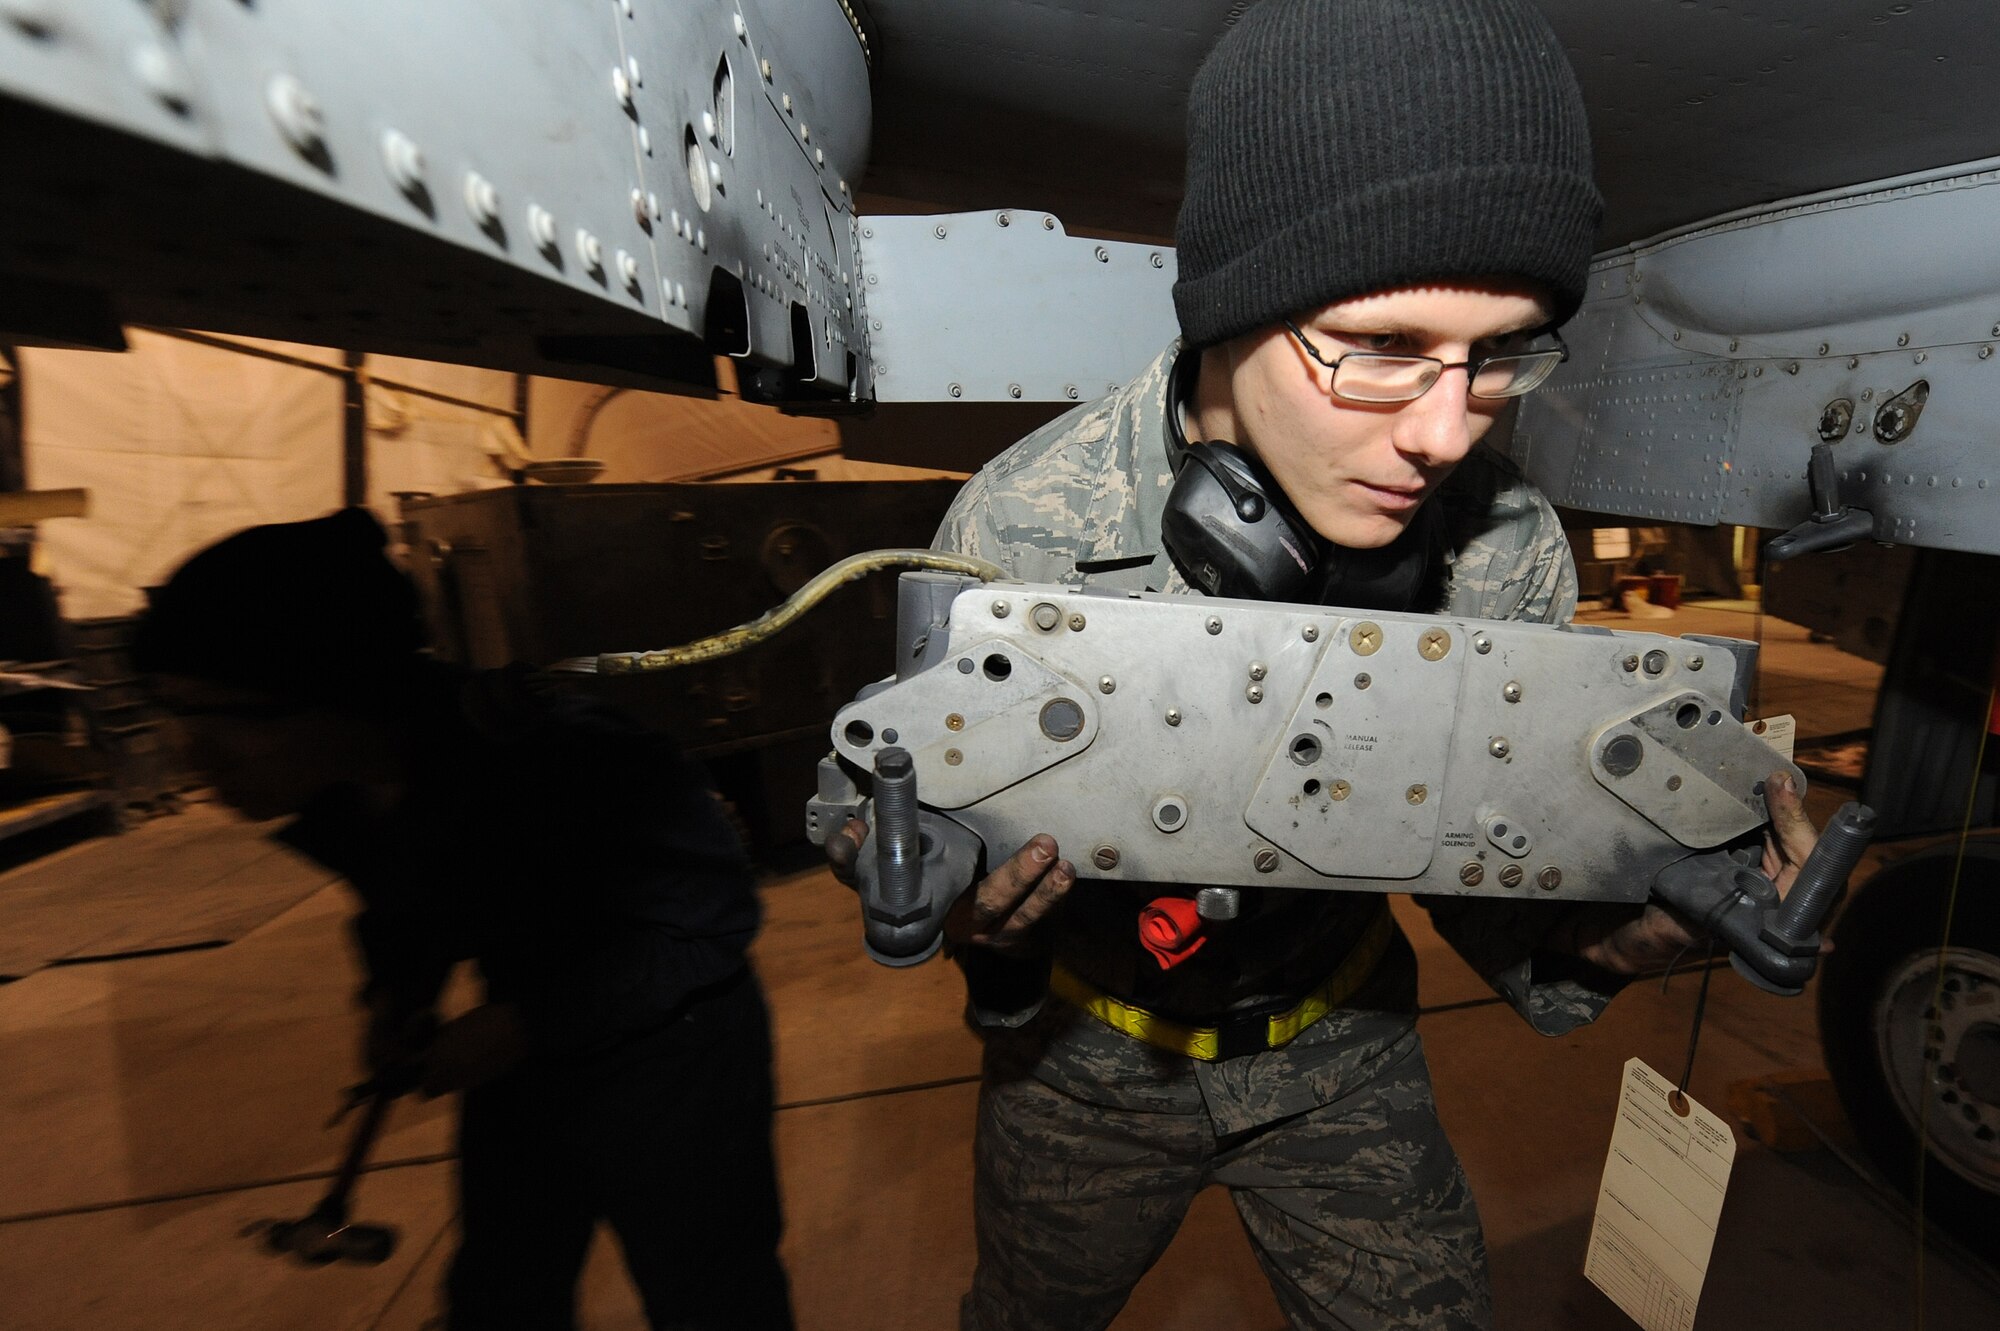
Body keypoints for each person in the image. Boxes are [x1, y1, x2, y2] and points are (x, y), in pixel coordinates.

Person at [830, 2, 1822, 1328]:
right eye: (1385, 348)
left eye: (1498, 357)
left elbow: (1495, 872)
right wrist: (927, 871)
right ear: (1234, 307)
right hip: (1084, 1071)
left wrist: (1660, 909)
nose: (1443, 430)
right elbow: (883, 792)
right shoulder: (1024, 525)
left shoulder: (1501, 553)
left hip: (1340, 1050)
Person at [134, 508, 793, 1331]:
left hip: (676, 1048)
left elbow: (711, 924)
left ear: (332, 691)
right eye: (173, 710)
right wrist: (394, 997)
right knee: (501, 1285)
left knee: (709, 1290)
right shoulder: (346, 784)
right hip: (524, 1029)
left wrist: (525, 1024)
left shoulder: (562, 753)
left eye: (215, 712)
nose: (194, 753)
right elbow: (405, 901)